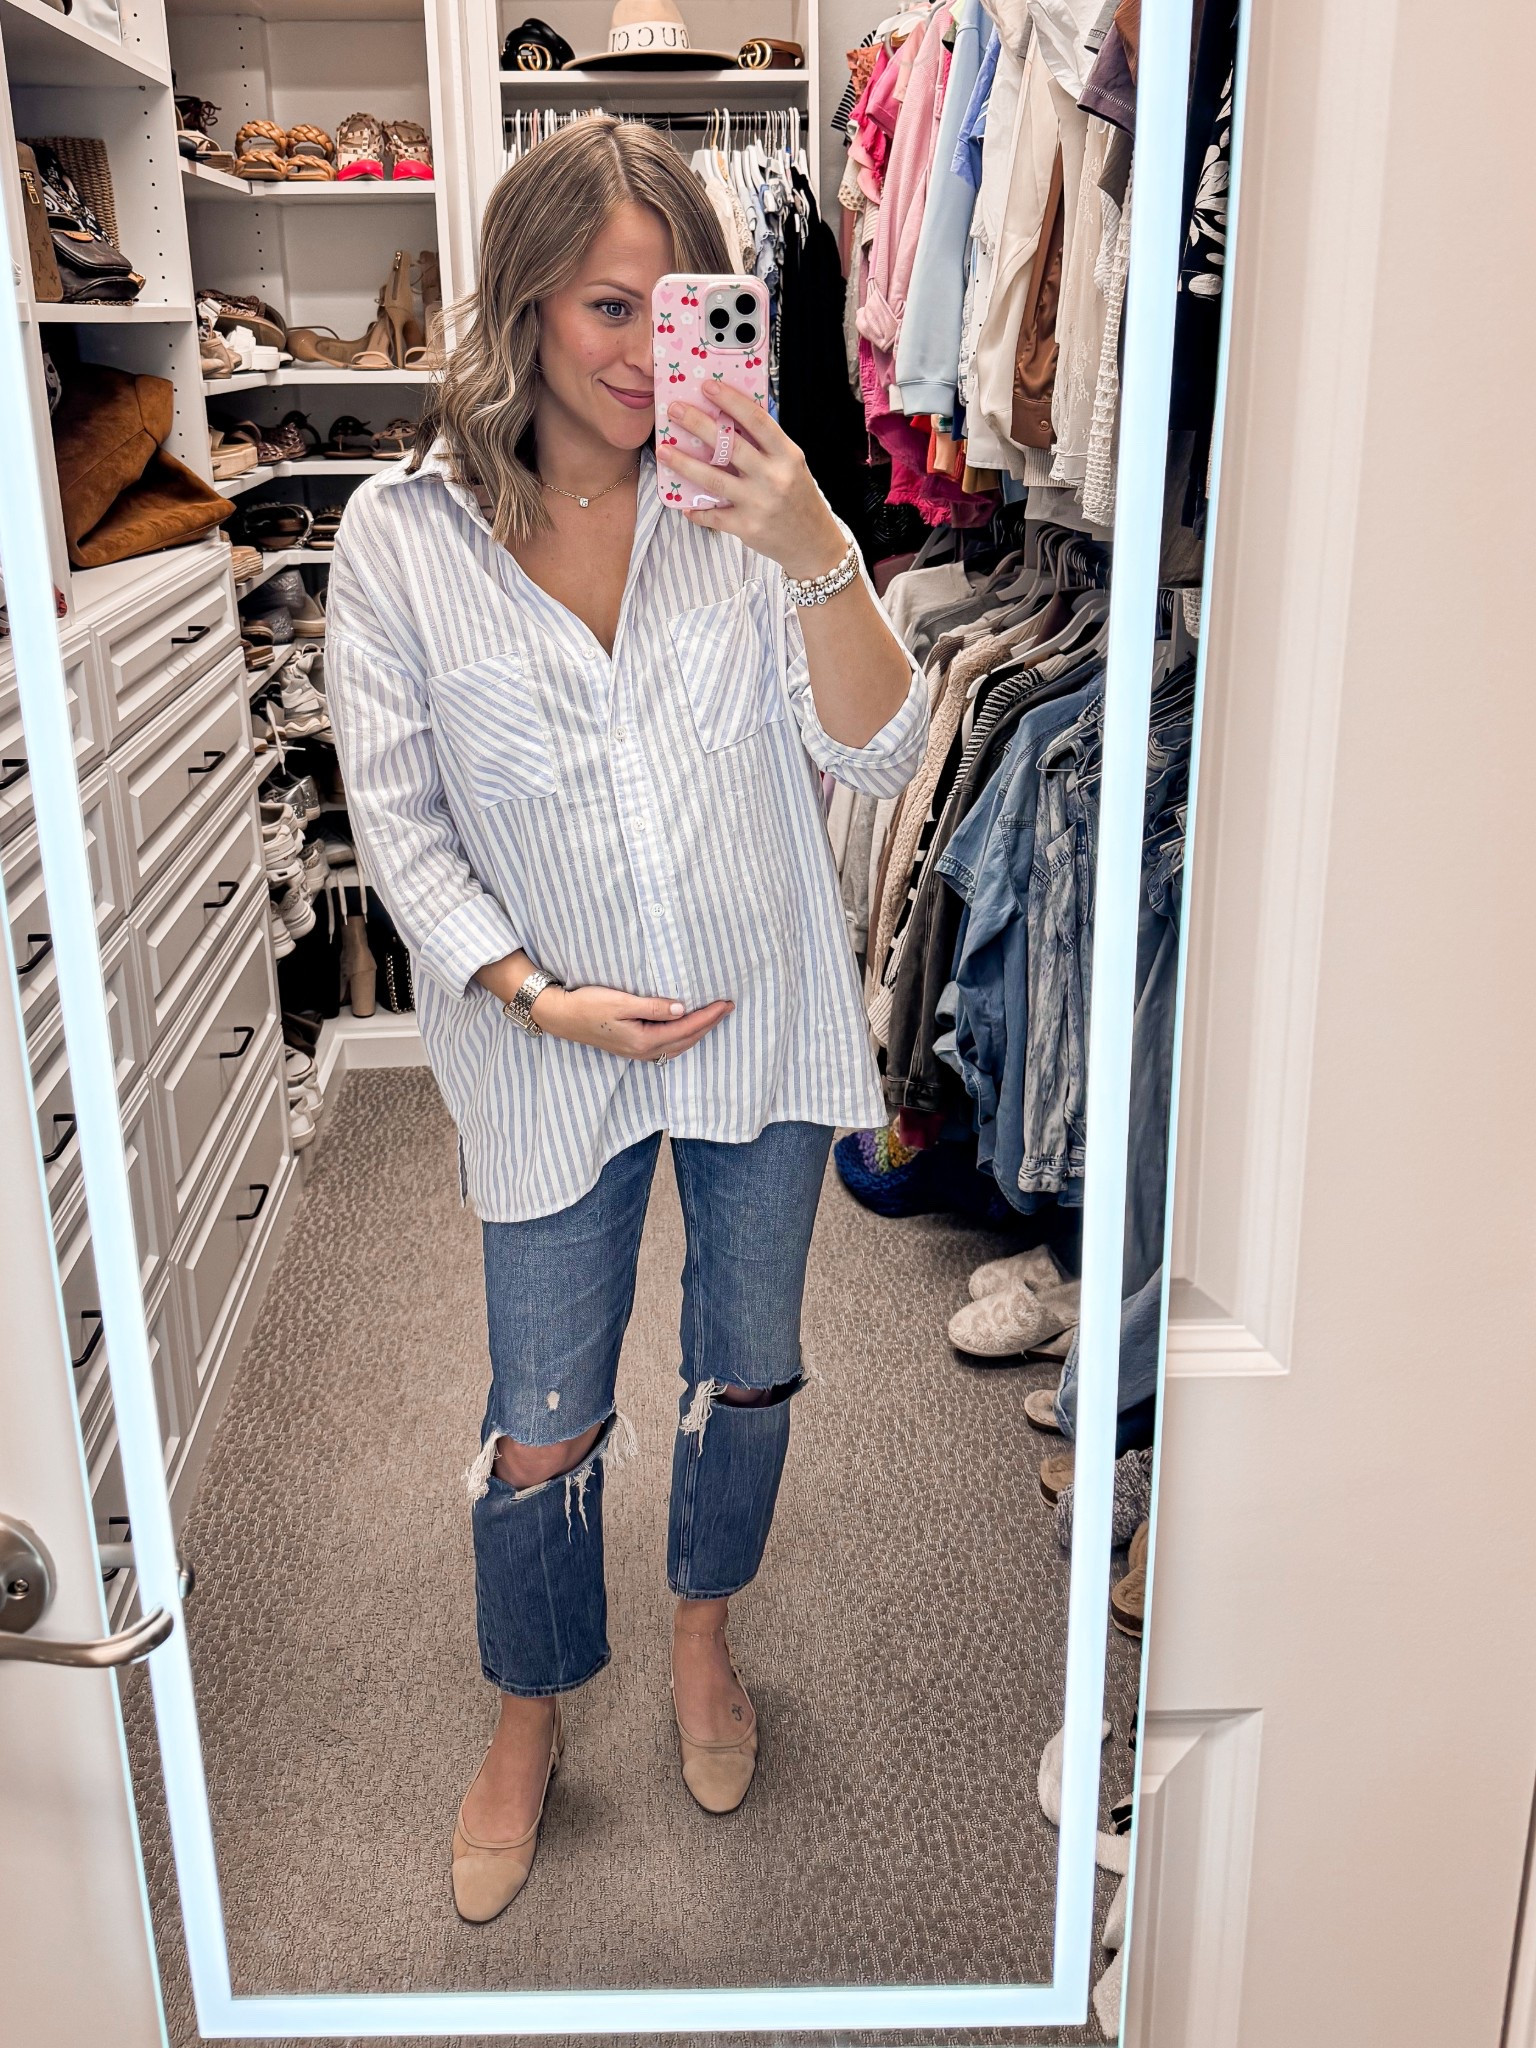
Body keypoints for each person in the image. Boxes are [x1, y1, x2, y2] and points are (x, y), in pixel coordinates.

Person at [324, 115, 926, 1925]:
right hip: (541, 1049)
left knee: (746, 1365)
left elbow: (879, 751)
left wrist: (813, 541)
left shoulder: (748, 508)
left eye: (679, 307)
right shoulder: (402, 540)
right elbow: (400, 830)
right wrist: (541, 997)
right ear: (523, 301)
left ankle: (702, 1639)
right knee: (543, 1415)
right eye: (607, 305)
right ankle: (529, 1714)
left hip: (759, 1019)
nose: (643, 351)